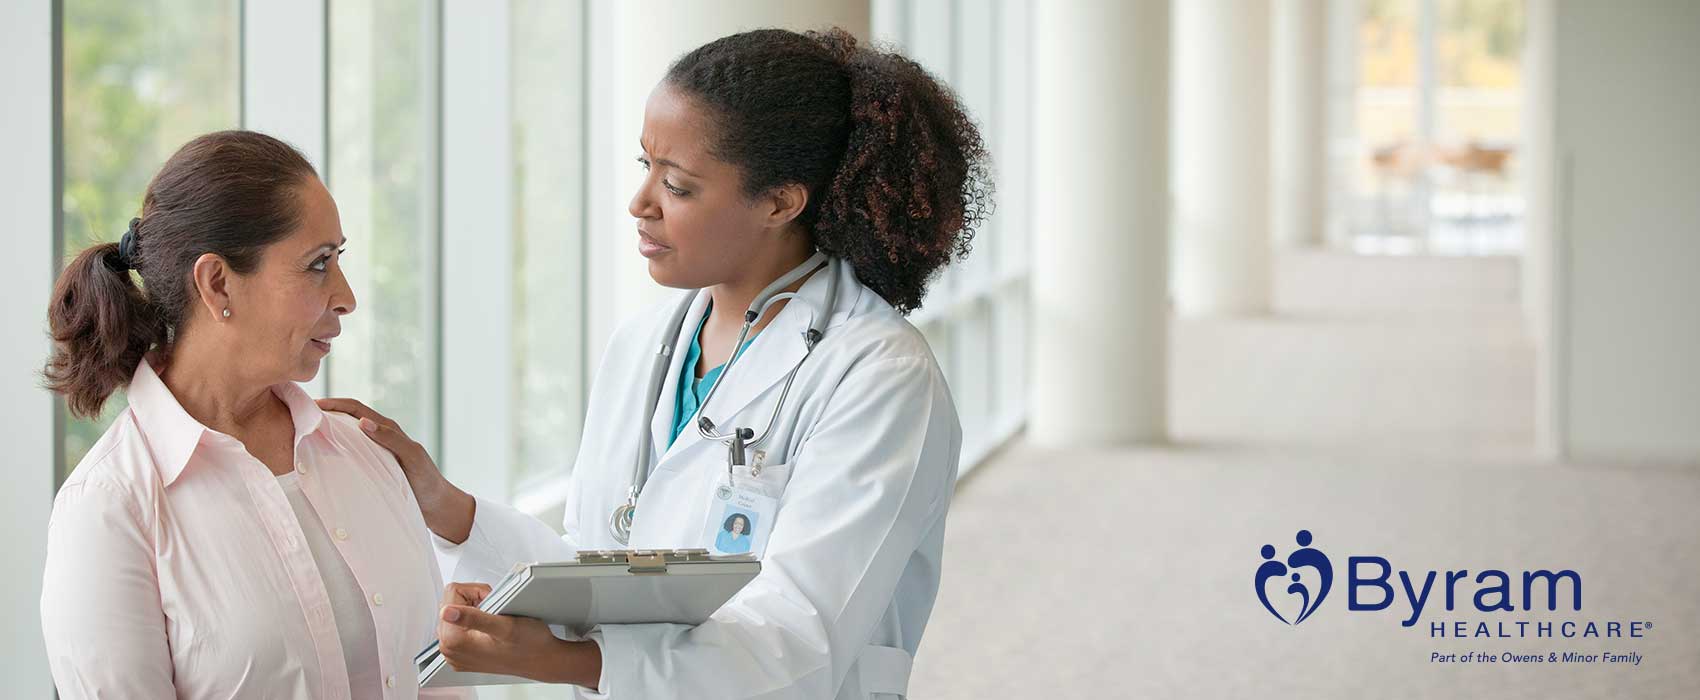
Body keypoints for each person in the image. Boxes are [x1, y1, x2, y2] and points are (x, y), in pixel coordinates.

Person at [323, 27, 990, 698]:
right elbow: (597, 571)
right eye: (644, 166)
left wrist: (563, 664)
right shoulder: (646, 344)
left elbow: (799, 642)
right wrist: (445, 506)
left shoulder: (879, 376)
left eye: (678, 186)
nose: (640, 204)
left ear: (781, 202)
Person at [39, 130, 462, 699]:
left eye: (339, 258)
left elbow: (438, 684)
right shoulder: (110, 509)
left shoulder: (364, 452)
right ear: (217, 284)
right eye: (318, 264)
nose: (346, 295)